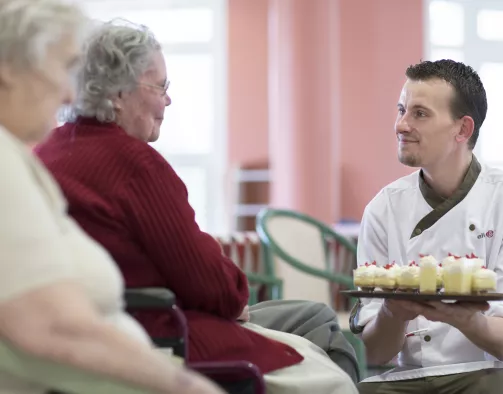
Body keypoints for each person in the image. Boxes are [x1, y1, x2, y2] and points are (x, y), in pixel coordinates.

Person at [35, 19, 359, 394]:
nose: (167, 100)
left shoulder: (46, 152)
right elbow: (209, 283)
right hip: (162, 335)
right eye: (160, 87)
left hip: (90, 334)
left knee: (313, 319)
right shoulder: (135, 164)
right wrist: (234, 293)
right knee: (328, 363)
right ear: (119, 92)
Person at [0, 1, 225, 393]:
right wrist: (186, 386)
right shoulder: (7, 164)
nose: (71, 91)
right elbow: (53, 328)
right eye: (60, 66)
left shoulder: (29, 155)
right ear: (8, 69)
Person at [350, 59, 503, 394]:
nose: (401, 125)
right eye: (401, 110)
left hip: (490, 372)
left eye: (420, 114)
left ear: (463, 129)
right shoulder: (383, 209)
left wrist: (464, 318)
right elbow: (377, 352)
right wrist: (392, 311)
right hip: (408, 377)